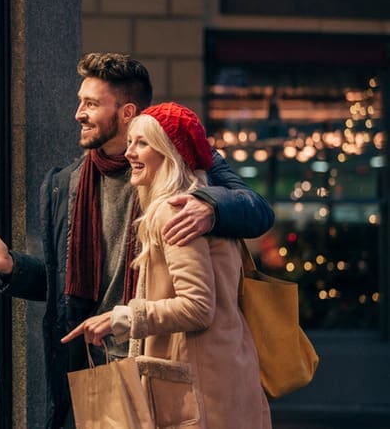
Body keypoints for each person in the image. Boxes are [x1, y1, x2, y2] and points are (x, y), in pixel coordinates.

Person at [0, 53, 274, 429]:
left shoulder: (184, 169)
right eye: (79, 101)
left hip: (164, 362)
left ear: (126, 112)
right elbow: (65, 284)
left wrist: (209, 206)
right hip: (99, 363)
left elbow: (258, 211)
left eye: (91, 103)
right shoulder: (66, 184)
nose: (78, 113)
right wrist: (12, 267)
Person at [61, 102, 272, 429]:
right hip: (223, 377)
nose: (129, 152)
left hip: (202, 396)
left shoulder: (175, 210)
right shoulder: (201, 202)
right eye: (130, 141)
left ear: (171, 152)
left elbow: (198, 307)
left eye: (142, 143)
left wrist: (122, 317)